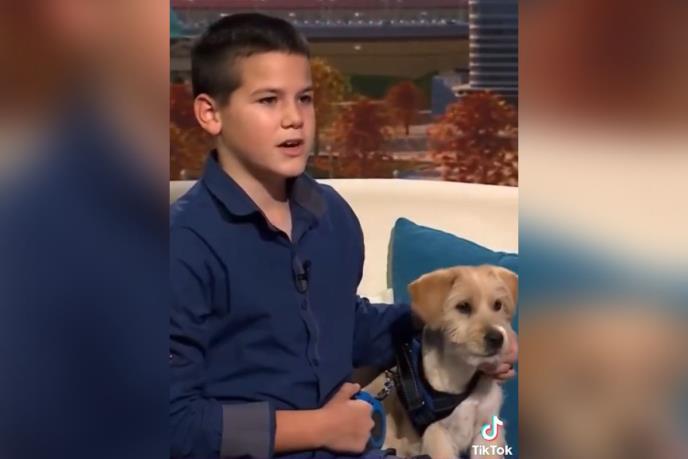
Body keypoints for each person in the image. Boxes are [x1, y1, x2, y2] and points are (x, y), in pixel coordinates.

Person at [169, 13, 516, 459]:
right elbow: (171, 422)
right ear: (210, 113)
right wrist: (319, 428)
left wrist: (467, 328)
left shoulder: (331, 216)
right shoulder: (182, 245)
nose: (294, 119)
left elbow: (341, 324)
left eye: (305, 98)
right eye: (269, 100)